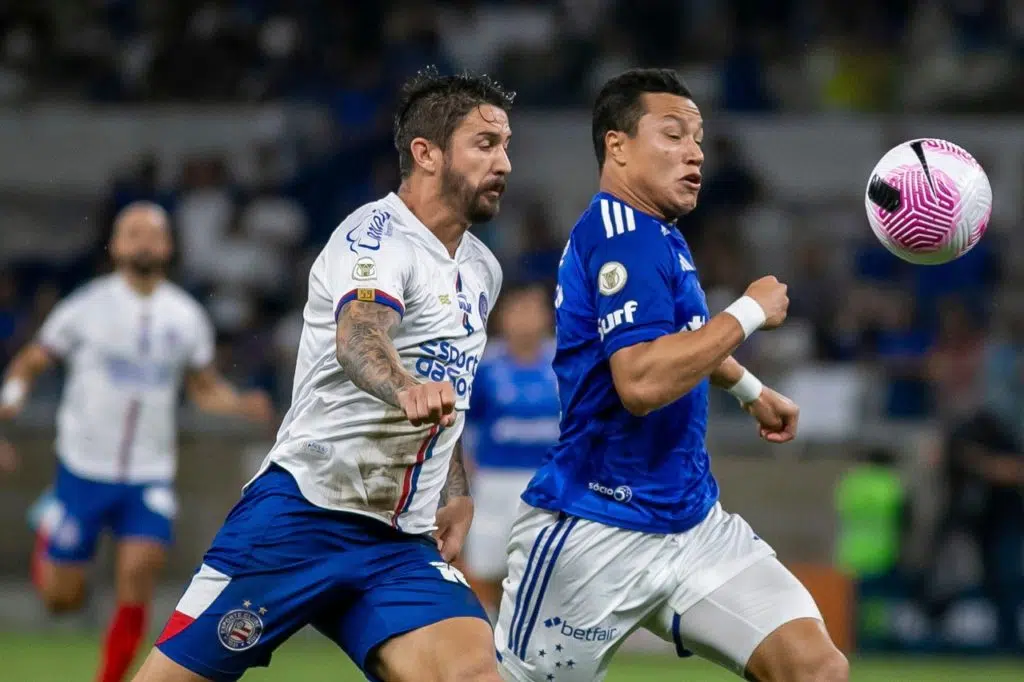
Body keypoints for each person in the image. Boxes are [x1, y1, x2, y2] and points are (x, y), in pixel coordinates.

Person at [132, 66, 513, 682]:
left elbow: (452, 391)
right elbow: (359, 336)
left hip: (398, 543)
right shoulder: (374, 236)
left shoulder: (482, 269)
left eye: (506, 146)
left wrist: (454, 489)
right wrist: (405, 388)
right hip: (304, 513)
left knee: (474, 674)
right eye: (485, 144)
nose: (505, 163)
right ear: (427, 153)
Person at [494, 69, 849, 682]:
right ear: (618, 146)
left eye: (700, 139)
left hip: (693, 526)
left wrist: (748, 388)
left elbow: (677, 339)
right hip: (593, 532)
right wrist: (749, 311)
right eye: (673, 133)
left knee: (814, 668)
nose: (695, 152)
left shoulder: (659, 236)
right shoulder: (619, 239)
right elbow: (640, 384)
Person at [0, 202, 275, 682]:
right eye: (133, 233)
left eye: (154, 234)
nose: (145, 241)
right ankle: (52, 519)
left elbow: (203, 388)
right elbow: (31, 361)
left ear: (168, 246)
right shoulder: (84, 306)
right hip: (83, 469)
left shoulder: (185, 315)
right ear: (117, 244)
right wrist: (13, 396)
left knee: (139, 574)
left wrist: (240, 404)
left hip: (148, 474)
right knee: (60, 600)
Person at [463, 281, 559, 615]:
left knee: (544, 573)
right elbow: (463, 425)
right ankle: (487, 638)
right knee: (487, 568)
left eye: (533, 309)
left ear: (547, 316)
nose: (525, 319)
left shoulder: (564, 365)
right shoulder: (484, 367)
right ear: (502, 317)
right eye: (518, 309)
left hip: (545, 484)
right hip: (493, 481)